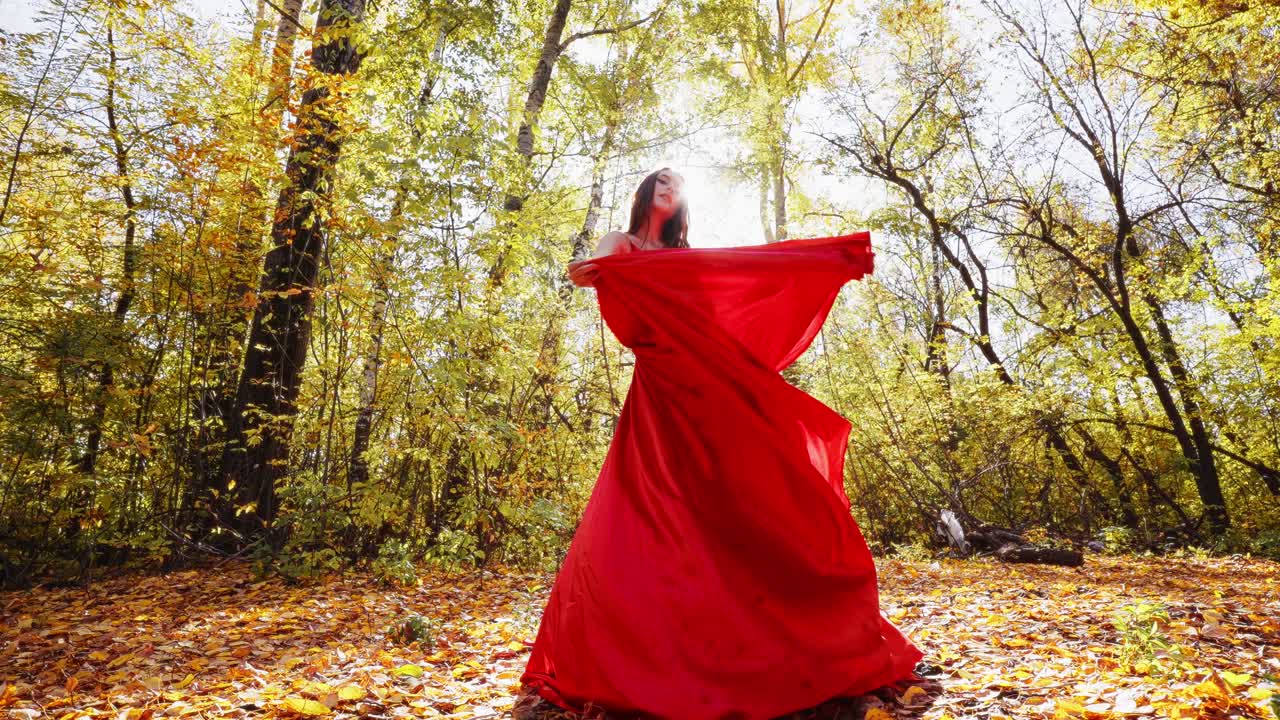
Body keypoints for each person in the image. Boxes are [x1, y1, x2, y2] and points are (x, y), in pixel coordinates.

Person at [515, 167, 923, 720]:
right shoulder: (623, 242)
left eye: (678, 185)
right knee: (653, 505)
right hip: (660, 385)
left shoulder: (687, 256)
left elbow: (730, 294)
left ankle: (791, 618)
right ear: (645, 193)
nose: (670, 188)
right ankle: (654, 649)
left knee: (740, 486)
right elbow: (583, 274)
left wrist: (820, 263)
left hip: (704, 379)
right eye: (661, 181)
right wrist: (595, 271)